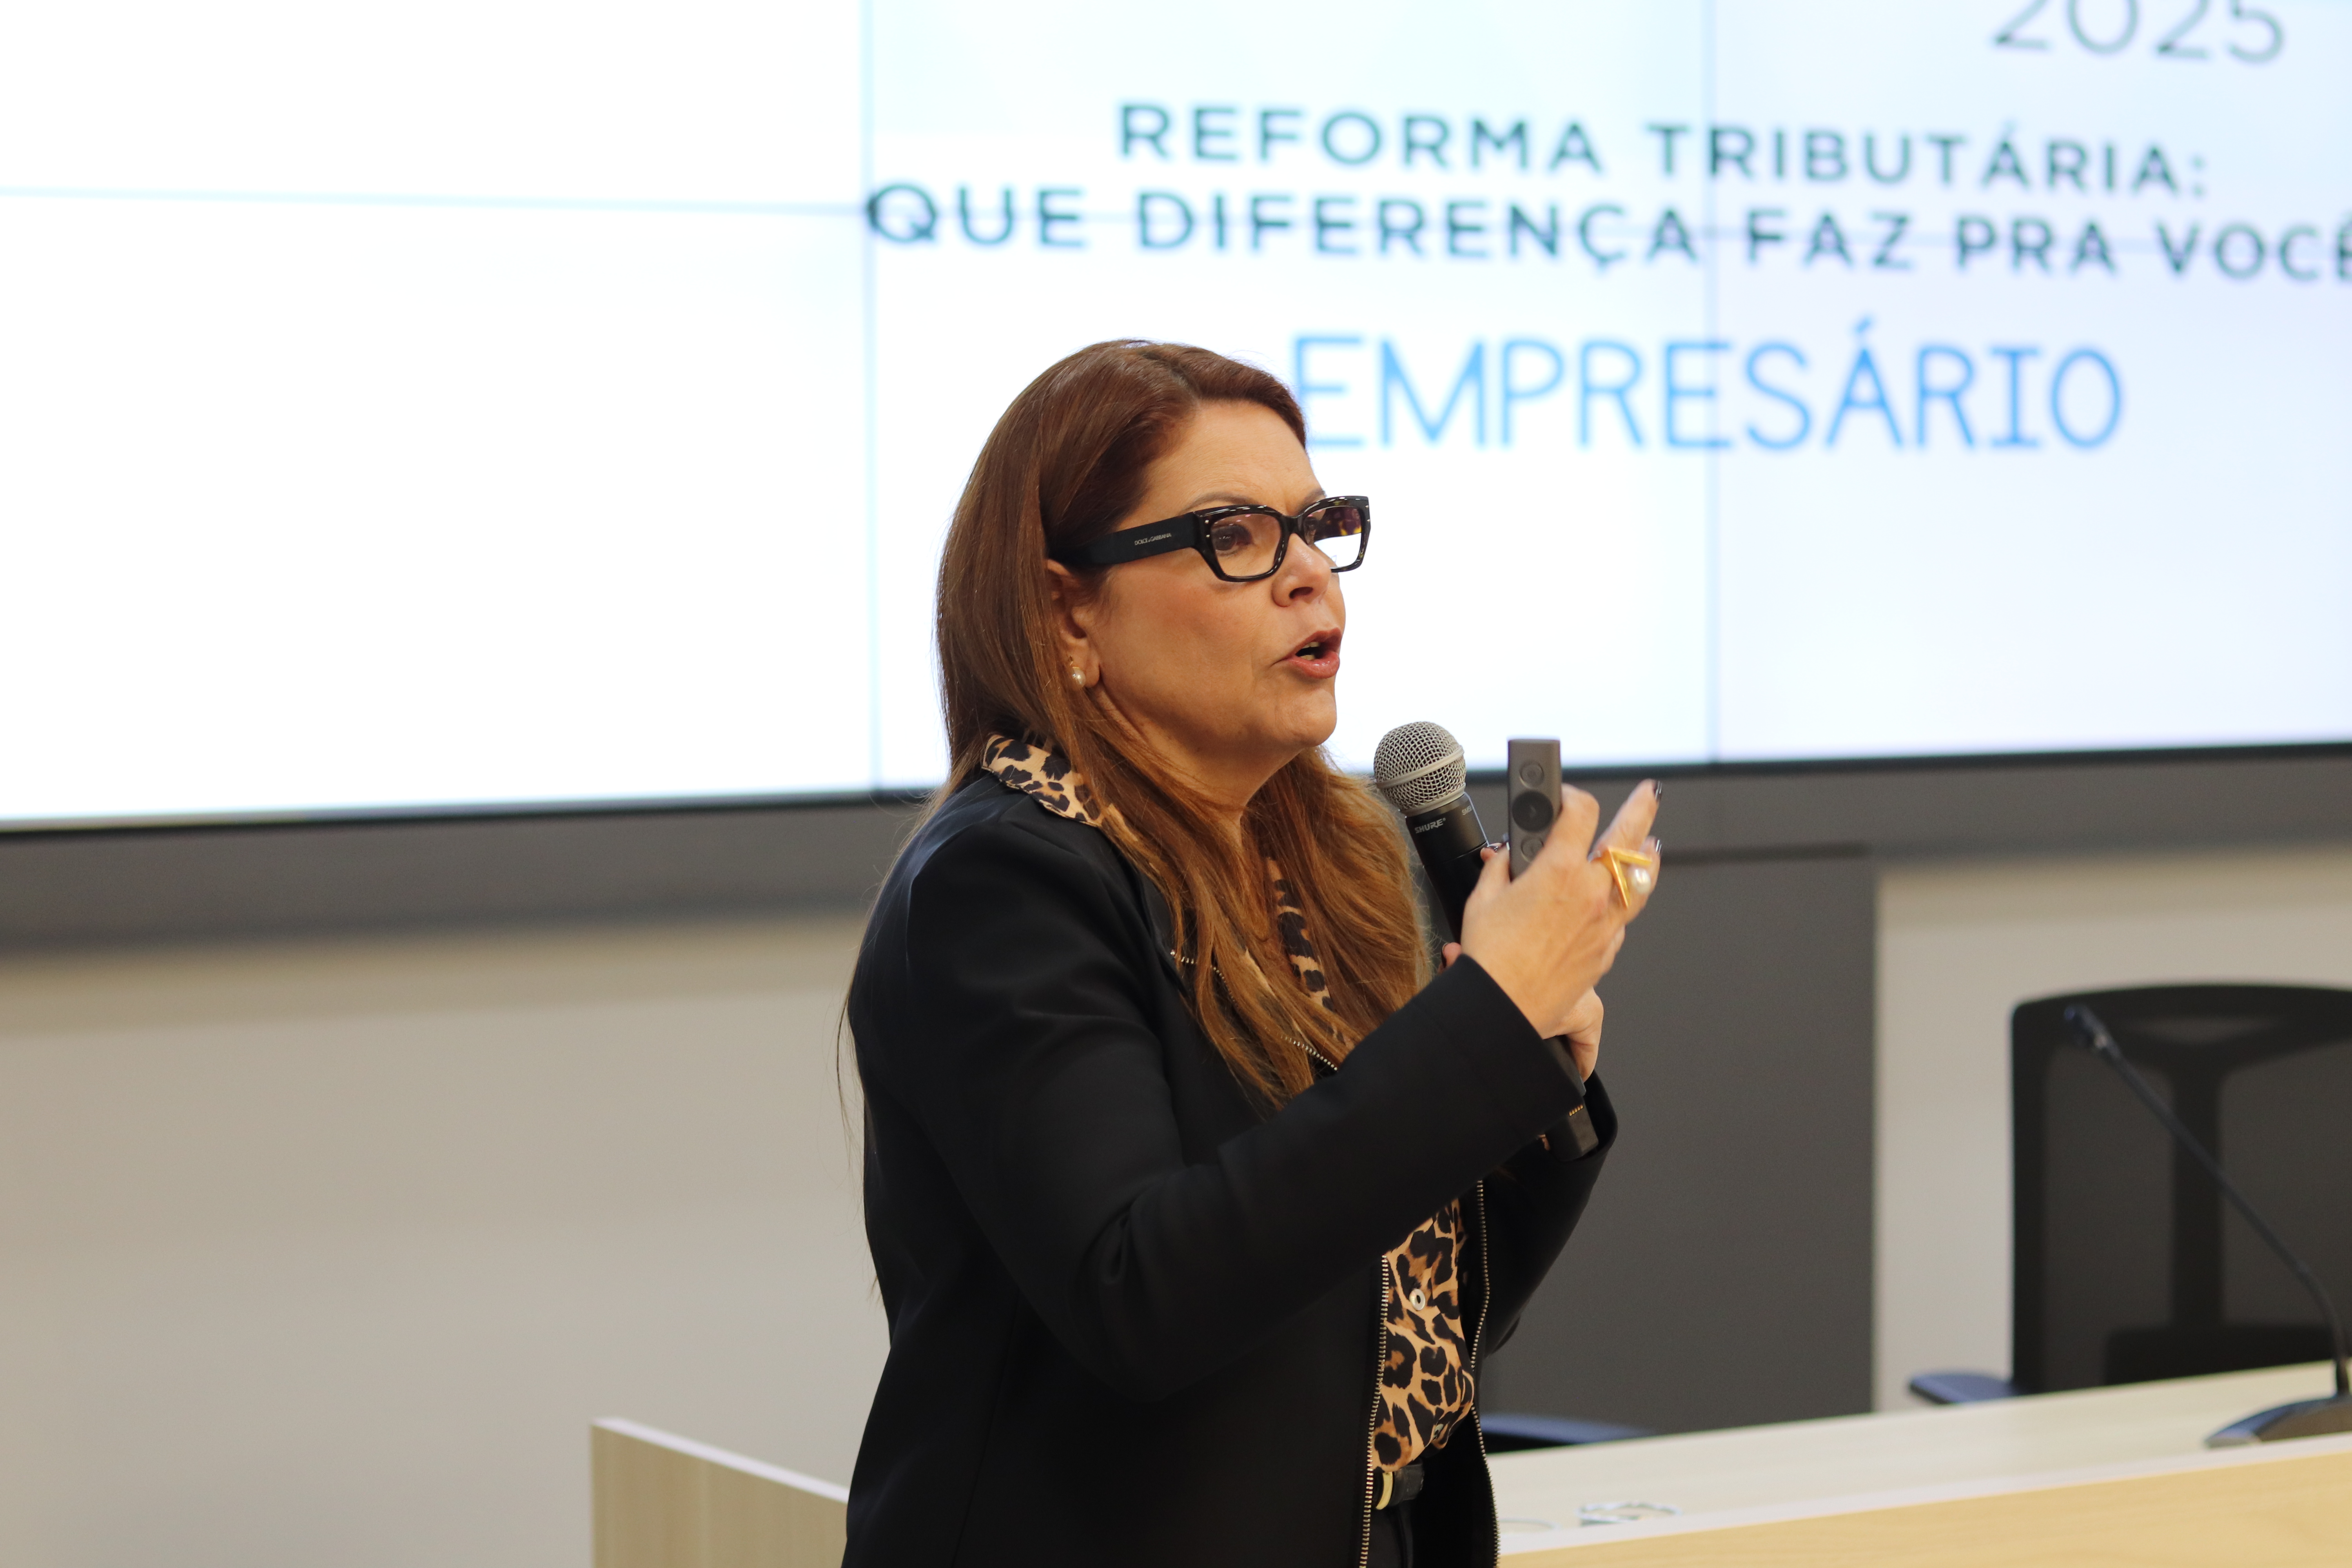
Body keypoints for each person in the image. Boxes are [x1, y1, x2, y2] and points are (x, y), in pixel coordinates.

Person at [844, 340, 1661, 1567]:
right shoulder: (1004, 881)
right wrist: (1481, 1024)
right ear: (1069, 611)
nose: (1308, 575)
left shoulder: (1320, 864)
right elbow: (1142, 1295)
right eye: (1236, 535)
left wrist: (1531, 1069)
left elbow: (1394, 1311)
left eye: (1318, 527)